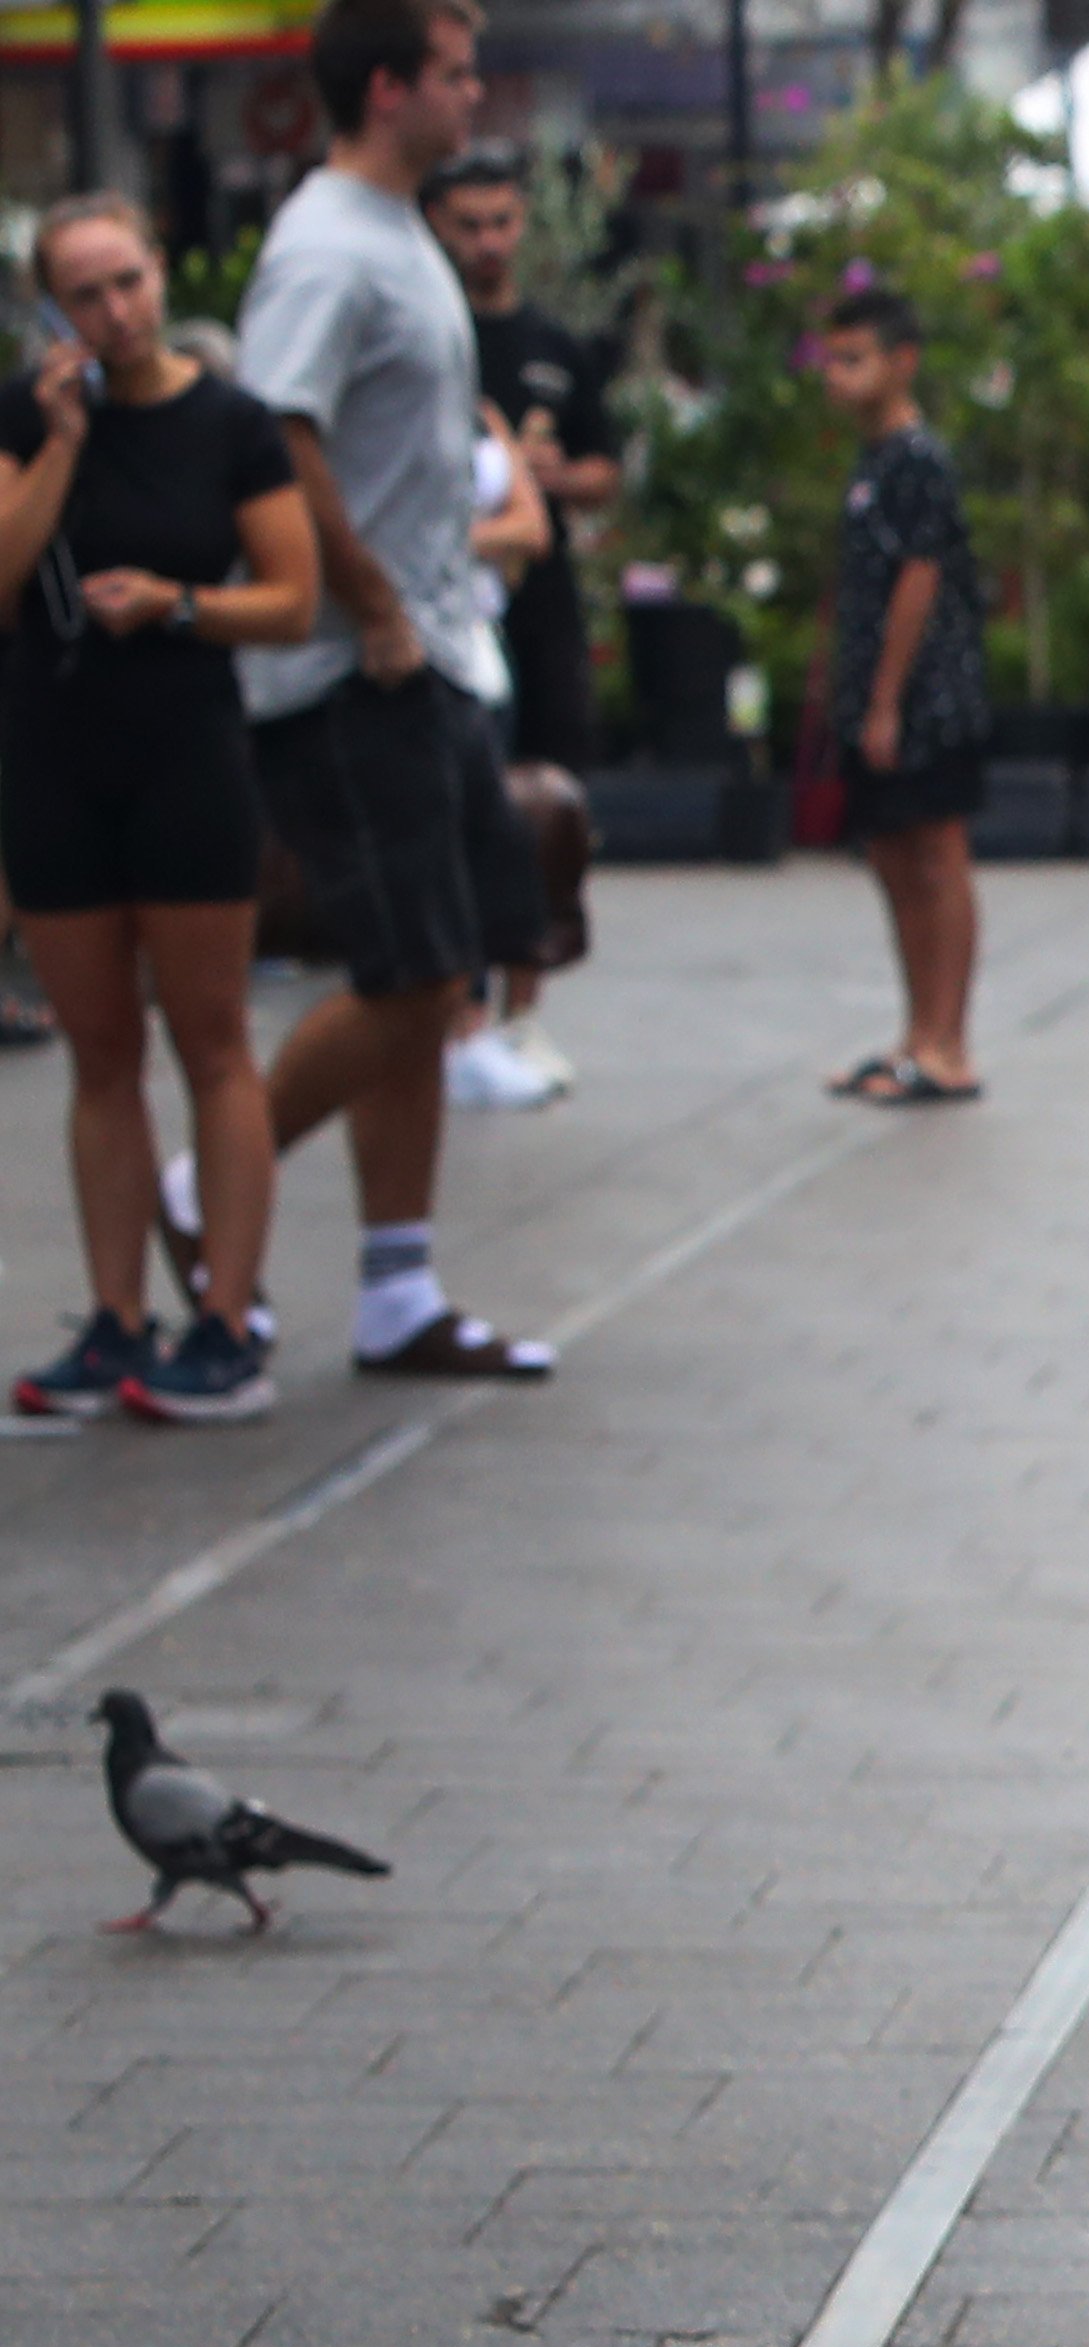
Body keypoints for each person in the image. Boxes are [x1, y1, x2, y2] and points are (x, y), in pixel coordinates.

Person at [226, 0, 553, 1380]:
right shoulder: (321, 247)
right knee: (414, 972)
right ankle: (208, 1189)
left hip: (432, 651)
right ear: (383, 88)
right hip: (359, 665)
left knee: (443, 962)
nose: (474, 95)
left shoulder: (398, 232)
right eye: (455, 73)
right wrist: (362, 600)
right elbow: (275, 430)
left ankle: (397, 1287)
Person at [0, 194, 312, 1426]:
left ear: (159, 273)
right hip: (54, 756)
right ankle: (115, 1315)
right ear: (50, 307)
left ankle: (226, 1318)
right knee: (98, 1050)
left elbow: (291, 599)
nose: (115, 312)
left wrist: (178, 604)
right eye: (86, 293)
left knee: (212, 1038)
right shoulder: (28, 418)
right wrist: (65, 444)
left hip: (186, 751)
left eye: (128, 282)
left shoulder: (230, 423)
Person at [428, 146, 609, 1107]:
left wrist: (545, 482)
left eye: (503, 222)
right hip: (444, 619)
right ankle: (456, 1012)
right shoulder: (426, 338)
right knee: (453, 808)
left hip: (535, 611)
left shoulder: (553, 346)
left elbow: (602, 470)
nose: (489, 242)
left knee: (540, 804)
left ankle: (520, 1012)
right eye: (470, 224)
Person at [813, 287, 986, 1107]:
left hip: (928, 701)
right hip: (871, 697)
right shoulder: (871, 461)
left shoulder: (919, 461)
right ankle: (914, 1033)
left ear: (902, 361)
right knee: (891, 859)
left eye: (856, 360)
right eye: (832, 361)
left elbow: (920, 580)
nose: (839, 378)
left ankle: (949, 1044)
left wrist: (887, 700)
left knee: (936, 856)